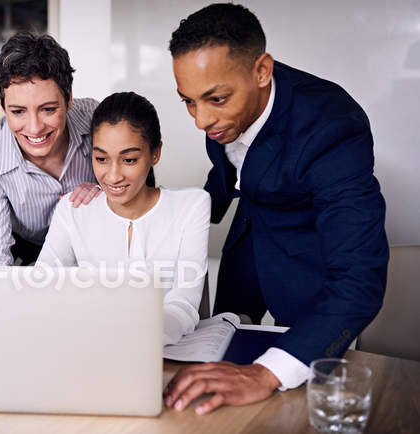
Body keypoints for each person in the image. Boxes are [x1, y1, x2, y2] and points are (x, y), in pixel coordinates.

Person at [163, 3, 388, 414]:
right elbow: (231, 171)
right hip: (246, 254)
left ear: (261, 71)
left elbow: (360, 278)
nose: (200, 121)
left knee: (291, 407)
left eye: (215, 99)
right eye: (188, 102)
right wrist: (161, 215)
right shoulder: (219, 111)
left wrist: (267, 374)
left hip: (307, 276)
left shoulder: (332, 126)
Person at [37, 91, 211, 345]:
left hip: (162, 353)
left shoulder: (192, 206)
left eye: (129, 159)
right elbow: (41, 289)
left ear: (155, 153)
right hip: (86, 348)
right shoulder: (73, 210)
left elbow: (183, 303)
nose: (113, 176)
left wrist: (138, 340)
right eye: (101, 159)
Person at [0, 32, 101, 266]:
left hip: (92, 249)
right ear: (2, 106)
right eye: (18, 111)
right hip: (27, 254)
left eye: (48, 109)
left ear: (68, 99)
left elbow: (137, 179)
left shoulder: (95, 119)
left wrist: (107, 190)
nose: (35, 128)